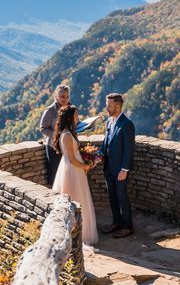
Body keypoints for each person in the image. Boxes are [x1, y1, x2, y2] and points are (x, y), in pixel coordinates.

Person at [52, 105, 99, 245]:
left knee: (80, 198)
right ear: (69, 117)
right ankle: (77, 235)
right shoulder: (66, 135)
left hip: (75, 169)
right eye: (76, 114)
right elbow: (71, 159)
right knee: (76, 197)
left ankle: (82, 232)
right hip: (72, 170)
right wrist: (84, 165)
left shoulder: (69, 132)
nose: (78, 117)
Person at [100, 93, 135, 238]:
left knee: (122, 197)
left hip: (120, 170)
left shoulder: (127, 124)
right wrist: (95, 156)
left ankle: (127, 226)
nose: (106, 108)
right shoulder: (109, 122)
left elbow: (129, 149)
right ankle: (116, 222)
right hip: (108, 167)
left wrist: (124, 169)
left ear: (118, 106)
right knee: (112, 196)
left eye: (109, 105)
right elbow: (105, 143)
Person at [40, 85, 70, 186]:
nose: (65, 99)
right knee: (56, 175)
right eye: (62, 96)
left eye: (66, 96)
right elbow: (43, 128)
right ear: (56, 96)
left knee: (66, 175)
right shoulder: (50, 110)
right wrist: (58, 135)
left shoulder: (70, 108)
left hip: (67, 146)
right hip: (54, 148)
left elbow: (75, 123)